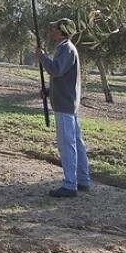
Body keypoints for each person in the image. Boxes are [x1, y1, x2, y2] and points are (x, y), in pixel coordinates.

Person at [36, 18, 91, 198]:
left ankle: (70, 185)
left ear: (62, 31)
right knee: (77, 143)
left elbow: (56, 70)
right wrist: (49, 91)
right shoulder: (65, 48)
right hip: (68, 102)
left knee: (67, 144)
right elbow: (63, 78)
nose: (52, 30)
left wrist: (42, 56)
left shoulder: (66, 49)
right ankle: (83, 180)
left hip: (65, 105)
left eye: (55, 28)